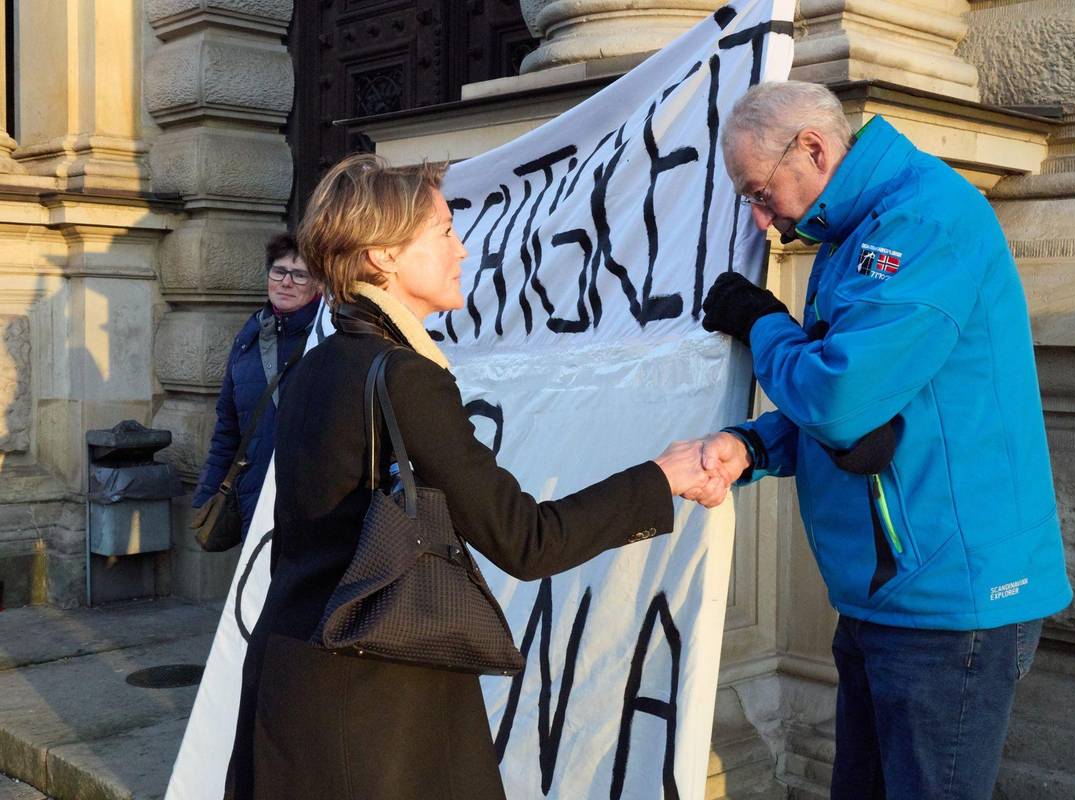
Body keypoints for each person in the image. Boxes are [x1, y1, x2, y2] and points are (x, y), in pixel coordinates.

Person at [224, 153, 721, 799]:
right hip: (375, 710)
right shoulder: (405, 377)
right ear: (383, 256)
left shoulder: (318, 364)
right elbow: (527, 540)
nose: (462, 250)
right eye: (445, 232)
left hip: (296, 684)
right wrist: (663, 476)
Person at [695, 81, 1073, 799]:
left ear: (812, 147)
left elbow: (839, 399)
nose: (758, 219)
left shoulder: (925, 220)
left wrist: (762, 321)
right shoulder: (854, 230)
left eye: (759, 192)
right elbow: (877, 409)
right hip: (891, 593)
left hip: (947, 603)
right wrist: (753, 446)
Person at [193, 234, 322, 542]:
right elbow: (228, 428)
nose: (286, 282)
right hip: (255, 496)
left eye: (300, 274)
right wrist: (207, 495)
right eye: (279, 271)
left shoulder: (325, 337)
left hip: (310, 502)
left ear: (319, 284)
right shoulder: (248, 340)